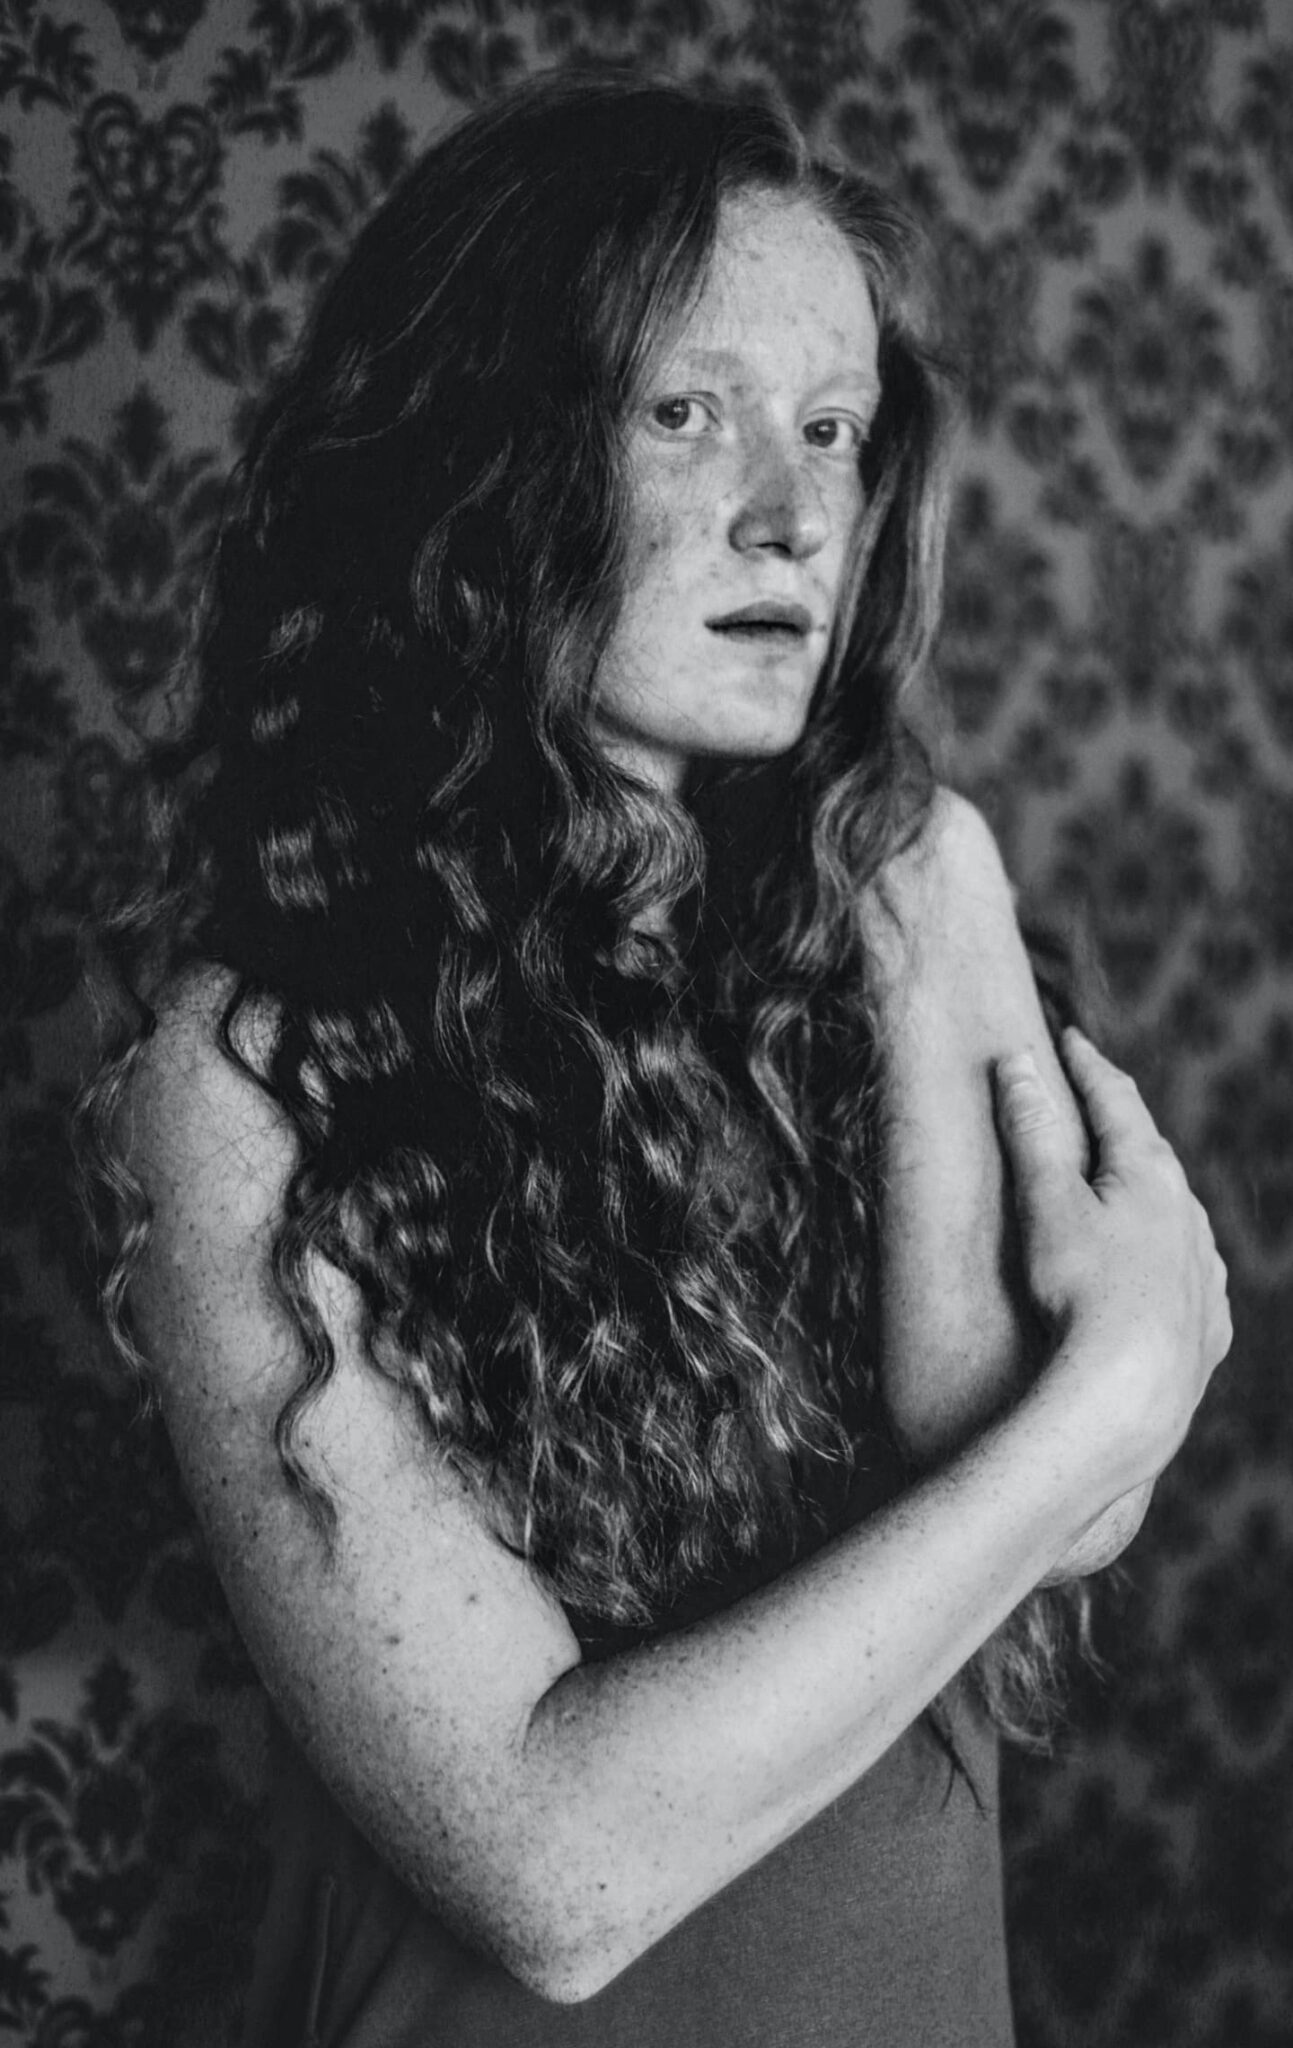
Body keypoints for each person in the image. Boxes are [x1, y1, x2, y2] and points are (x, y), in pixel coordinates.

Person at [81, 72, 1231, 2047]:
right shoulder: (251, 1079)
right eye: (687, 412)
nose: (796, 512)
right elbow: (551, 1872)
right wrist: (1115, 1395)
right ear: (484, 459)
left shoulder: (871, 930)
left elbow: (1038, 1501)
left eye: (833, 429)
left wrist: (943, 888)